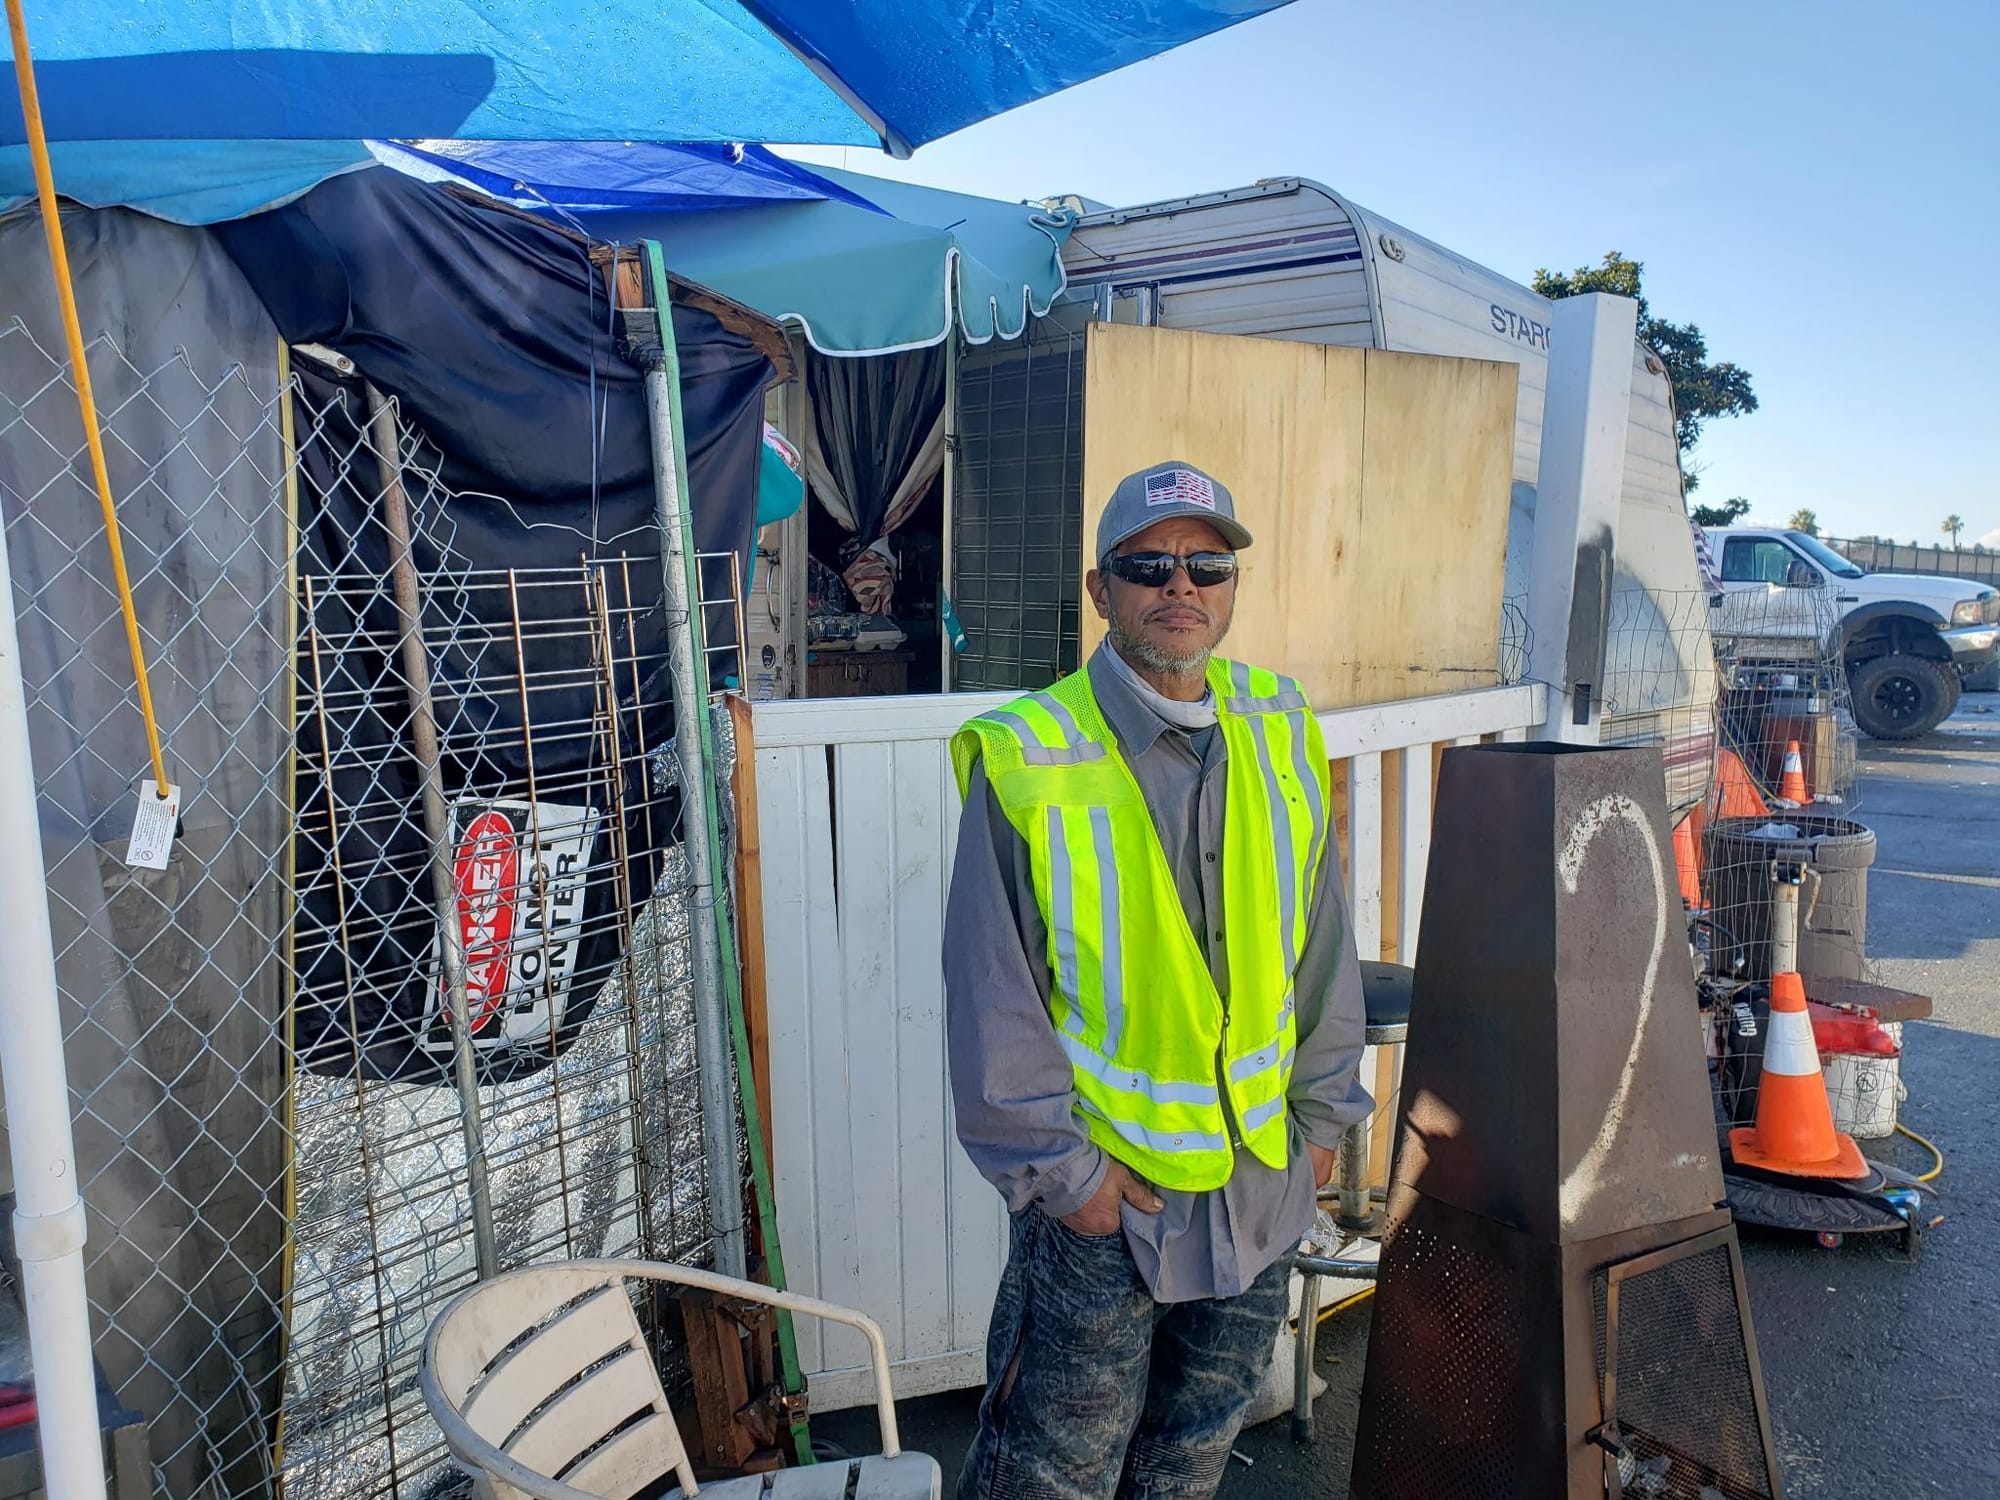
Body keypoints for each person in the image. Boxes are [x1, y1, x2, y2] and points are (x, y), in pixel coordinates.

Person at [944, 460, 1372, 1500]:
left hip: (1257, 1188)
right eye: (1145, 566)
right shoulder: (1030, 753)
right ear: (1100, 591)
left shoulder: (1277, 726)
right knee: (1053, 1473)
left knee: (1187, 1457)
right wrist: (1069, 1182)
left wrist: (1318, 1127)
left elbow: (1320, 948)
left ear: (1230, 585)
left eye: (1206, 565)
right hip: (1106, 1207)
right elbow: (990, 995)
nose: (1178, 586)